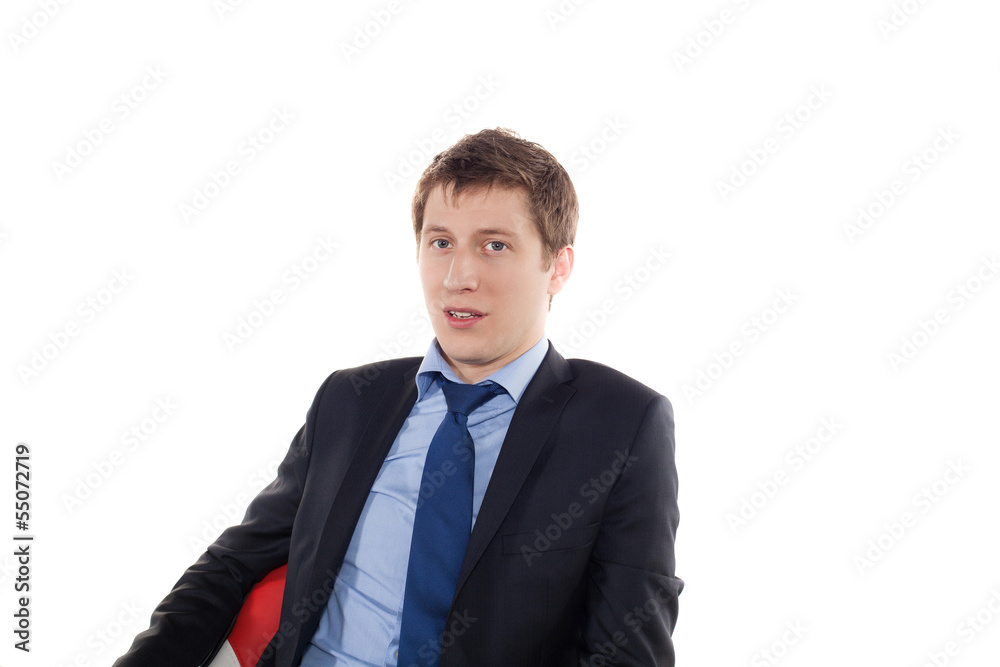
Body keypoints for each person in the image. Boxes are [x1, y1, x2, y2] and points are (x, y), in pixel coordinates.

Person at [114, 128, 682, 667]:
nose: (458, 276)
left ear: (557, 267)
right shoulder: (350, 401)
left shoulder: (623, 424)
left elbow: (627, 651)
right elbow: (232, 565)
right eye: (441, 243)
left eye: (494, 245)